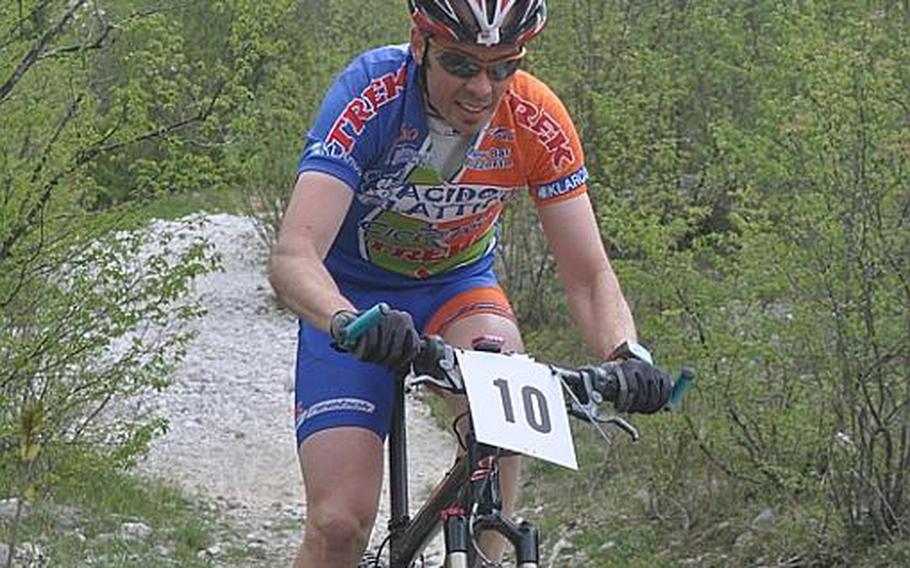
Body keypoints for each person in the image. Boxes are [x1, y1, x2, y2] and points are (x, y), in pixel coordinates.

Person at [268, 1, 672, 566]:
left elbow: (588, 276)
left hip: (457, 289)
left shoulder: (537, 118)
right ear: (420, 44)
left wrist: (626, 353)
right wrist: (342, 319)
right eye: (461, 64)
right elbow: (294, 256)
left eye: (503, 67)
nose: (483, 87)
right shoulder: (371, 96)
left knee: (504, 421)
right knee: (339, 524)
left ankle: (487, 554)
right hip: (354, 298)